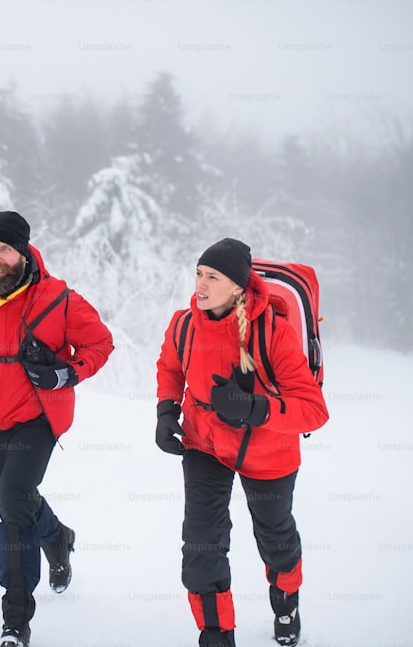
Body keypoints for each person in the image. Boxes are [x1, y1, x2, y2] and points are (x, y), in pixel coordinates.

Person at [0, 211, 114, 647]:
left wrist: (65, 374)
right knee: (23, 500)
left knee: (12, 504)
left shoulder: (55, 298)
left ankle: (16, 618)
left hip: (35, 420)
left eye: (5, 249)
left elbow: (100, 343)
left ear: (23, 252)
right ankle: (58, 539)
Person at [154, 238, 329, 647]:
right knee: (201, 544)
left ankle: (285, 603)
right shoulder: (183, 324)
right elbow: (169, 365)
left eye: (212, 276)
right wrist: (165, 411)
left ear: (237, 286)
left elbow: (314, 410)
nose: (200, 283)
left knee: (276, 538)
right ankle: (216, 636)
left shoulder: (274, 333)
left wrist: (255, 408)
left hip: (268, 451)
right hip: (205, 444)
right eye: (198, 273)